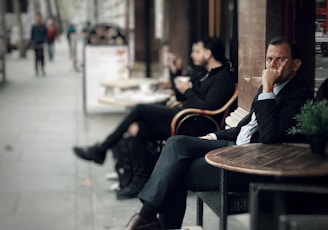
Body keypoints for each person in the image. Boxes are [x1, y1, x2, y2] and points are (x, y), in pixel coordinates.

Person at [123, 36, 314, 230]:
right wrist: (213, 136)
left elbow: (269, 136)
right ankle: (148, 219)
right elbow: (242, 128)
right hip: (234, 147)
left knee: (175, 171)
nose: (272, 66)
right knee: (176, 143)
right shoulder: (268, 88)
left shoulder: (299, 94)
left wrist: (267, 89)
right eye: (269, 59)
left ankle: (148, 219)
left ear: (296, 64)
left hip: (252, 162)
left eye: (280, 60)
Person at [73, 37, 235, 198]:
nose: (192, 54)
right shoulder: (205, 73)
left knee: (140, 109)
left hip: (192, 124)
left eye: (197, 51)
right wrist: (175, 73)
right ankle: (138, 181)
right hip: (183, 116)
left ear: (208, 54)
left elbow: (207, 107)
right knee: (138, 128)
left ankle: (102, 148)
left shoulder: (222, 78)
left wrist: (188, 91)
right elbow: (182, 96)